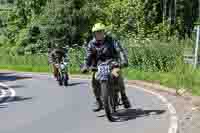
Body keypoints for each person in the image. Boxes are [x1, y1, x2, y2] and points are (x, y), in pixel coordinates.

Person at [81, 23, 131, 112]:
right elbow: (88, 56)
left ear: (104, 32)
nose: (99, 34)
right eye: (96, 32)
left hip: (112, 63)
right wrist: (85, 66)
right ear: (94, 34)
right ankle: (98, 101)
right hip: (98, 65)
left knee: (117, 73)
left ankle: (123, 96)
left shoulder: (112, 40)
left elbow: (120, 51)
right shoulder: (91, 44)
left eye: (100, 32)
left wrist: (123, 60)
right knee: (94, 80)